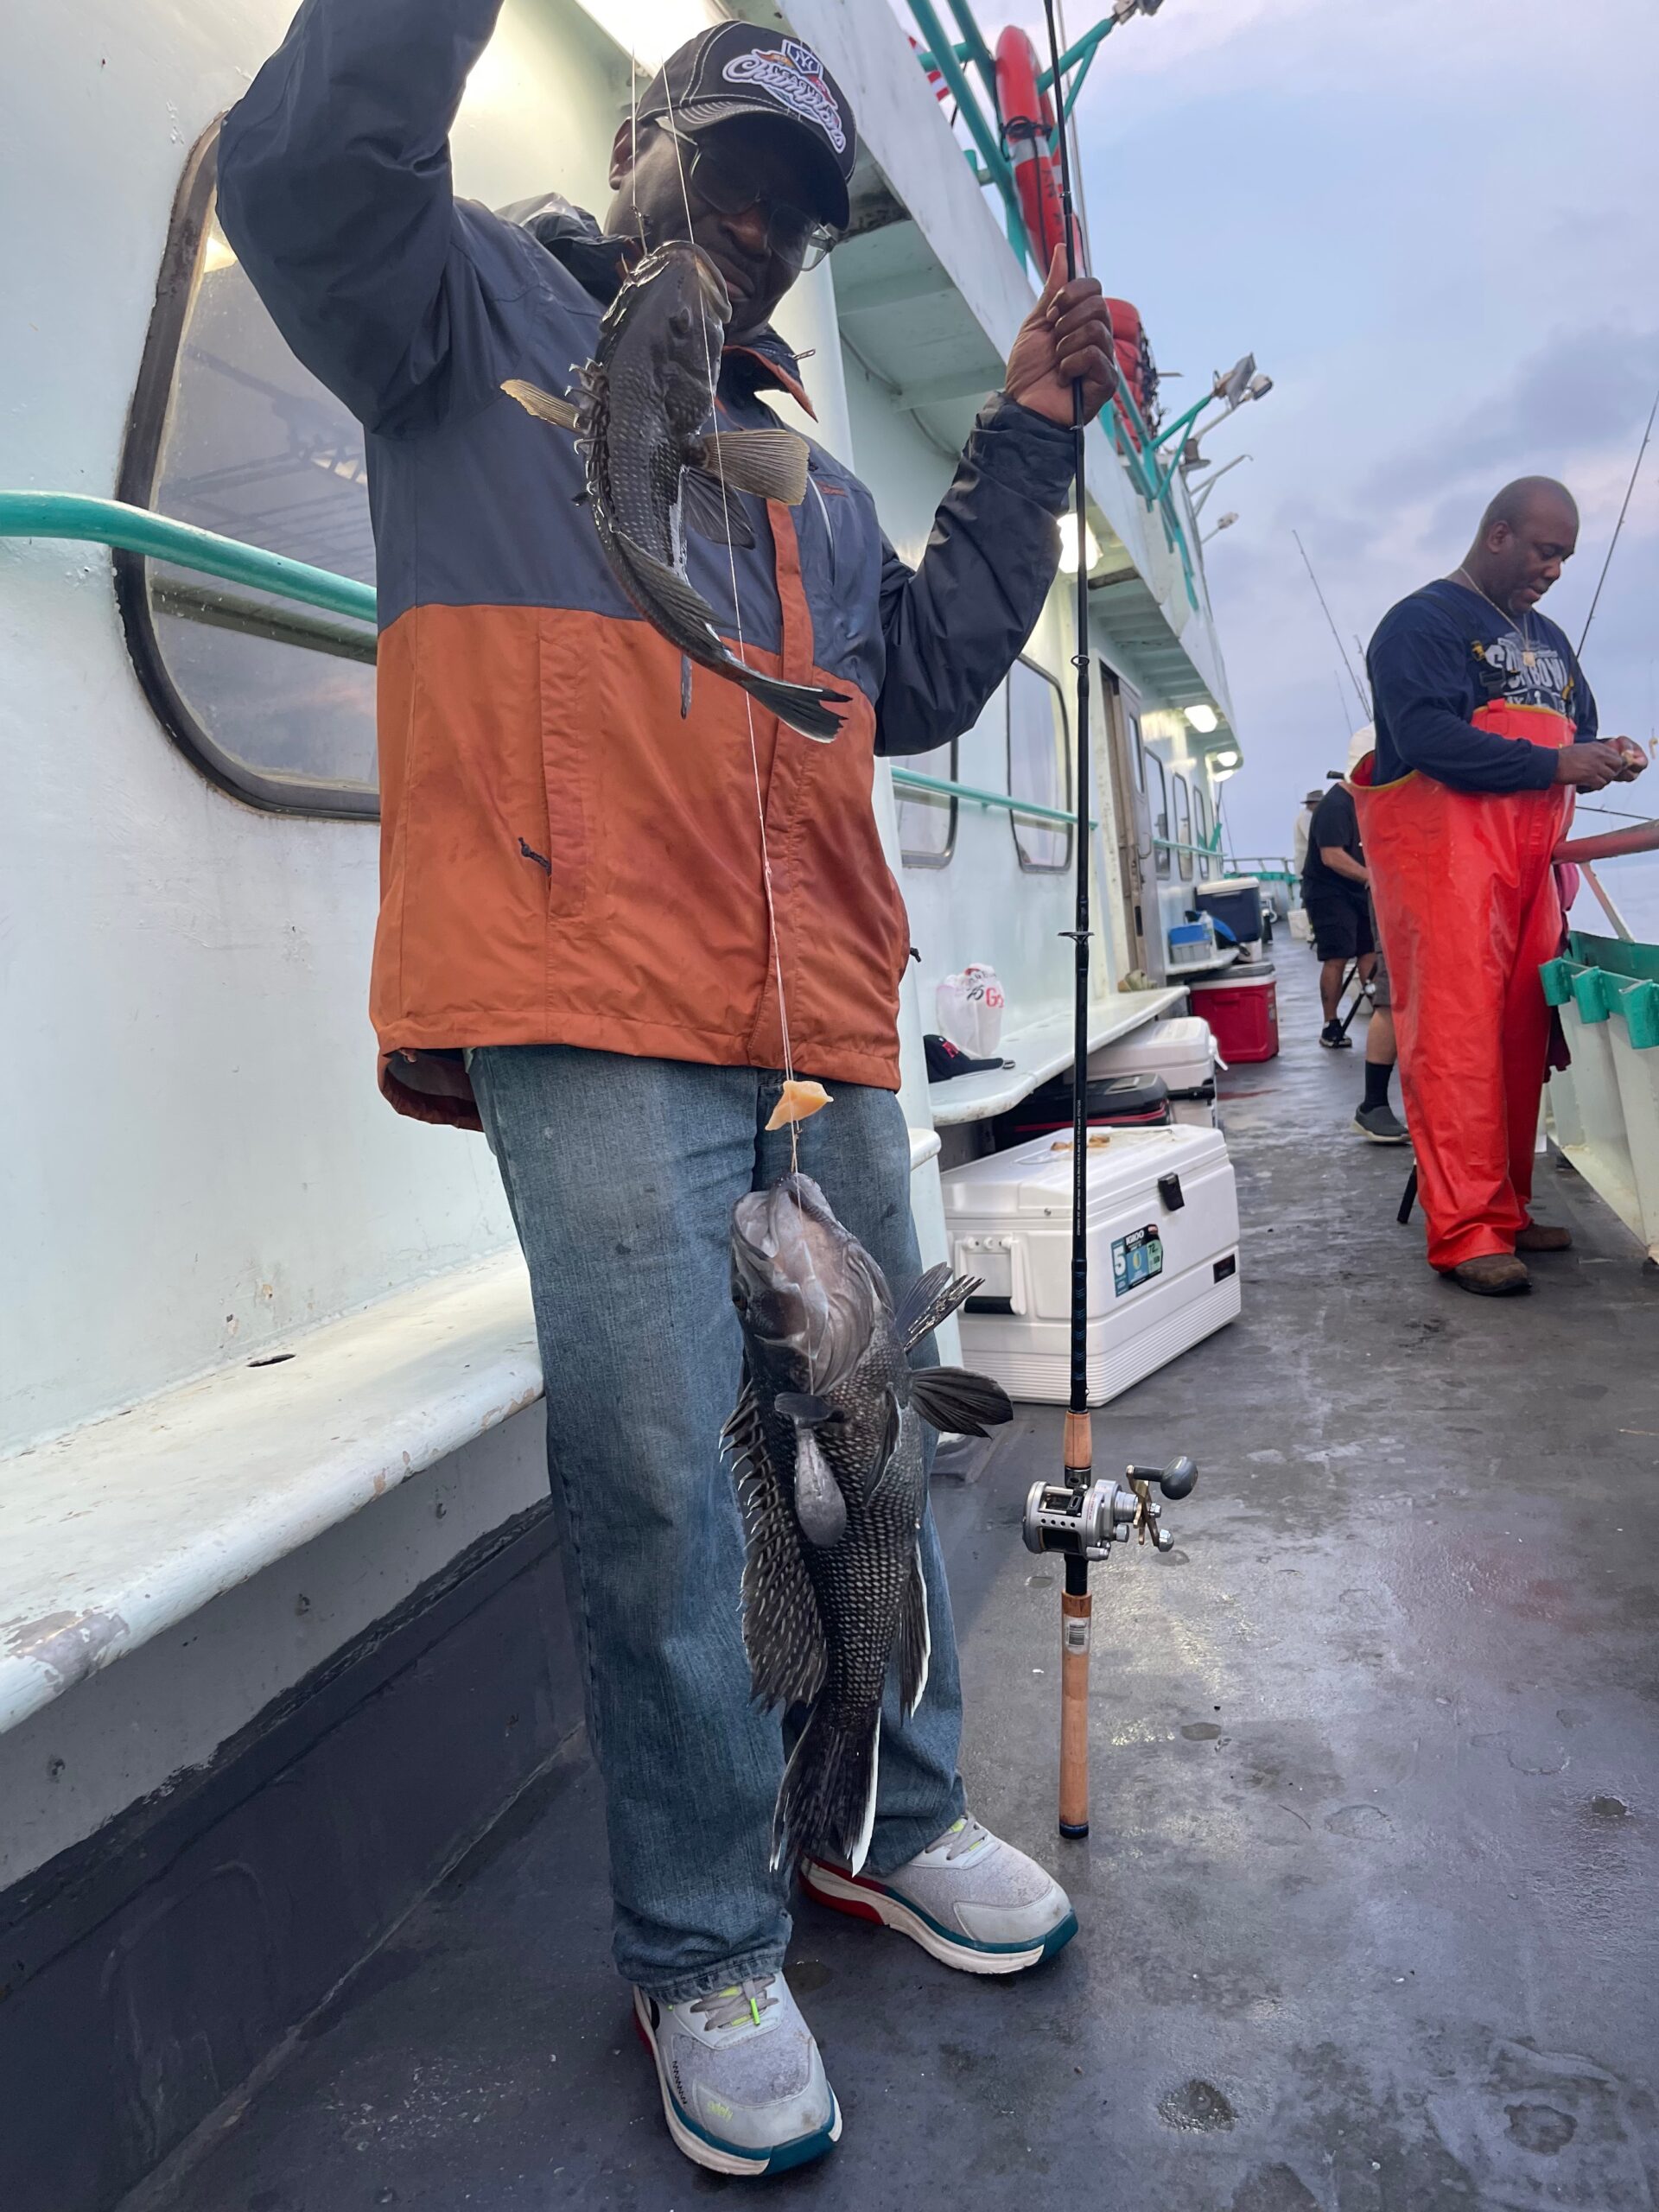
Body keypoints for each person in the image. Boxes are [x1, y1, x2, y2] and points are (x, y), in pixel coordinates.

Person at [219, 3, 1120, 2177]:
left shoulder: (792, 452)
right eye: (723, 174)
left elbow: (914, 670)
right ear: (633, 154)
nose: (756, 231)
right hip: (582, 990)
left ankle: (883, 1819)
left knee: (878, 1446)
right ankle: (704, 1935)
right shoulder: (455, 300)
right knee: (669, 1481)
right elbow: (306, 164)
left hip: (816, 1010)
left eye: (797, 214)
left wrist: (1020, 438)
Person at [1359, 477, 1646, 1295]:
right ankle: (1465, 1230)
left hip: (1531, 865)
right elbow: (1426, 739)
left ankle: (1508, 1207)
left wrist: (1605, 754)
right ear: (1497, 535)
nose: (1554, 571)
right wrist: (1555, 762)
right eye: (1544, 552)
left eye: (1565, 558)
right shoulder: (1422, 623)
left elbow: (1576, 729)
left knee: (1523, 1037)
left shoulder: (1550, 638)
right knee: (1454, 1041)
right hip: (1444, 863)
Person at [1332, 728, 1408, 1142]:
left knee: (1398, 997)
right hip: (1395, 894)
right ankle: (1373, 1103)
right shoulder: (1364, 801)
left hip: (1404, 892)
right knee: (1393, 998)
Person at [1301, 769, 1375, 1046]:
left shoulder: (1363, 803)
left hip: (1358, 890)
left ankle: (1382, 1013)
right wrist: (1371, 877)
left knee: (1369, 951)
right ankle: (1330, 1023)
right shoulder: (1335, 806)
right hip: (1328, 891)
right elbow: (1331, 856)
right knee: (1337, 955)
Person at [1290, 786, 1323, 876]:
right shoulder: (1306, 817)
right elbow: (1312, 837)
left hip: (1308, 865)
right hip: (1307, 866)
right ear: (1313, 804)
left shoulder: (1308, 816)